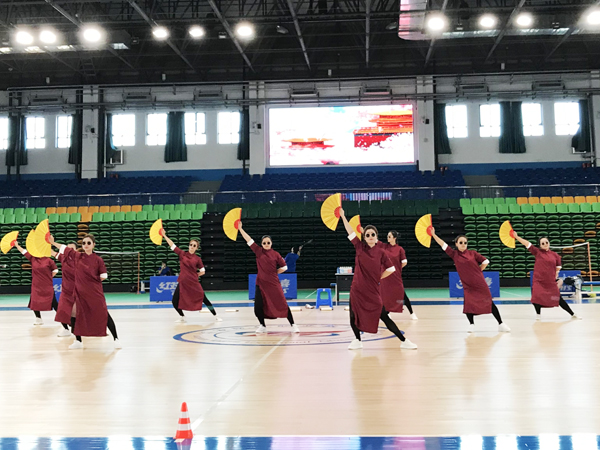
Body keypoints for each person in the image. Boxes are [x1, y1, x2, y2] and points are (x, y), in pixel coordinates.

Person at [339, 208, 417, 350]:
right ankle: (357, 340)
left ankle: (404, 341)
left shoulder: (381, 252)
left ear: (376, 237)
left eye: (373, 234)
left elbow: (391, 269)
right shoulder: (359, 247)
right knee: (353, 316)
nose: (370, 236)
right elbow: (350, 231)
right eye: (367, 234)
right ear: (364, 237)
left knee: (384, 316)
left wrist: (379, 277)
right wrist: (343, 217)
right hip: (357, 290)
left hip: (373, 291)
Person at [49, 234, 121, 350]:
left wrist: (90, 282)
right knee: (74, 314)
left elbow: (104, 276)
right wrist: (53, 243)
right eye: (84, 243)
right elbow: (65, 249)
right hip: (79, 293)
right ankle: (78, 340)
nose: (86, 245)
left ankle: (116, 339)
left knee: (104, 314)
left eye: (88, 243)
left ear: (93, 245)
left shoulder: (98, 260)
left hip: (94, 293)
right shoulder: (78, 256)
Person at [431, 229, 510, 333]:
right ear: (456, 244)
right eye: (461, 242)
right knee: (469, 305)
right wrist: (433, 235)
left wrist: (479, 270)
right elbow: (443, 244)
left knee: (489, 302)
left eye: (465, 242)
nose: (463, 244)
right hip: (468, 285)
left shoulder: (473, 253)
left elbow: (486, 261)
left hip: (480, 283)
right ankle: (471, 325)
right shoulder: (454, 254)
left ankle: (501, 324)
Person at [238, 222, 299, 334]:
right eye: (264, 243)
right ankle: (262, 326)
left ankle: (293, 325)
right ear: (261, 244)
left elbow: (284, 267)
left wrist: (275, 272)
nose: (266, 244)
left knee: (282, 304)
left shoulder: (276, 254)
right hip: (260, 284)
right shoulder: (258, 251)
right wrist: (240, 229)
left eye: (268, 242)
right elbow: (248, 239)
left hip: (274, 284)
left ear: (271, 243)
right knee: (258, 307)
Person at [514, 233, 581, 320]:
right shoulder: (537, 252)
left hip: (550, 282)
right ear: (540, 245)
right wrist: (517, 237)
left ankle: (573, 314)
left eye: (546, 242)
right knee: (536, 298)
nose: (545, 244)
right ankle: (538, 315)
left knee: (558, 298)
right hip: (539, 281)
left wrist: (555, 275)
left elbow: (558, 268)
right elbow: (527, 243)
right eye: (543, 243)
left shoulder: (555, 255)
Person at [162, 234, 221, 323]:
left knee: (204, 299)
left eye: (194, 245)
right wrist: (164, 235)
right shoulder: (182, 254)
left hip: (193, 283)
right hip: (183, 282)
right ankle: (182, 317)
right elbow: (172, 245)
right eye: (191, 245)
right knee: (174, 301)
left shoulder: (197, 259)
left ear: (197, 248)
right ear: (188, 245)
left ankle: (216, 315)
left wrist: (195, 275)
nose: (192, 247)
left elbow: (203, 271)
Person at [14, 240, 70, 333]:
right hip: (36, 286)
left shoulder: (49, 260)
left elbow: (55, 270)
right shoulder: (33, 258)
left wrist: (48, 276)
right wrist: (17, 245)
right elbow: (24, 251)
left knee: (55, 304)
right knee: (34, 301)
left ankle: (65, 322)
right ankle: (38, 318)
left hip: (47, 286)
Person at [379, 230, 418, 320]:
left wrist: (397, 268)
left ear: (394, 238)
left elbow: (404, 262)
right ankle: (387, 312)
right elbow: (376, 242)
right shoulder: (384, 247)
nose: (387, 238)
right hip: (386, 276)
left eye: (389, 236)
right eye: (387, 236)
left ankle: (412, 313)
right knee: (386, 295)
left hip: (396, 276)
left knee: (402, 295)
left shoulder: (400, 249)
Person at [54, 241, 79, 337]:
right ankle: (65, 329)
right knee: (62, 311)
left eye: (71, 249)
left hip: (77, 290)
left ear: (76, 250)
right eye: (68, 248)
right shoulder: (63, 258)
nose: (69, 250)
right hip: (65, 290)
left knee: (76, 313)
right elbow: (53, 253)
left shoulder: (79, 259)